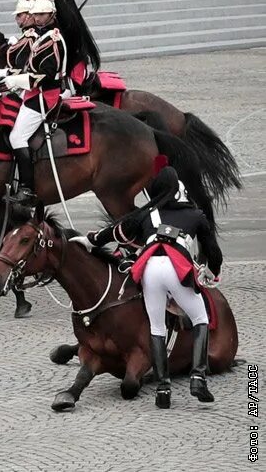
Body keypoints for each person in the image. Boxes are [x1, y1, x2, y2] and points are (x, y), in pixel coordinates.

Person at [74, 161, 222, 408]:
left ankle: (163, 388)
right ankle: (198, 376)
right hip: (176, 267)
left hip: (149, 269)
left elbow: (116, 231)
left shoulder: (147, 213)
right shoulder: (195, 215)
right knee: (200, 318)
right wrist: (212, 273)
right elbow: (214, 254)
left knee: (157, 326)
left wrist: (90, 241)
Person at [0, 0, 66, 205]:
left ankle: (28, 188)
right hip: (34, 91)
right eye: (35, 15)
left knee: (17, 136)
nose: (36, 18)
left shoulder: (52, 41)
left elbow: (44, 75)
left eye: (41, 15)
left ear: (51, 16)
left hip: (46, 95)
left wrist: (15, 81)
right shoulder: (42, 37)